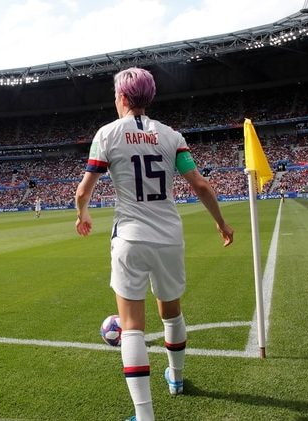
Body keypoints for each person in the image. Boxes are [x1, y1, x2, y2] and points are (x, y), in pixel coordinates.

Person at [74, 67, 234, 421]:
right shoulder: (172, 136)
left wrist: (83, 214)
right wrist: (221, 223)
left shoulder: (107, 134)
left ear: (123, 97)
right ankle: (176, 379)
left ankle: (145, 415)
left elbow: (84, 189)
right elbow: (201, 185)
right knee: (171, 313)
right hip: (169, 238)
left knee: (131, 325)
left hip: (130, 238)